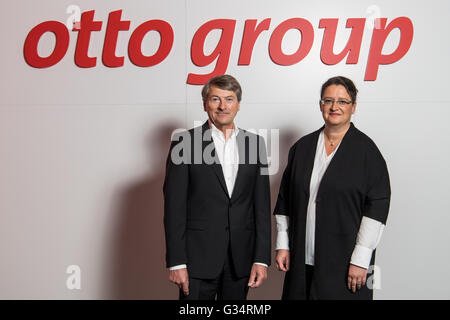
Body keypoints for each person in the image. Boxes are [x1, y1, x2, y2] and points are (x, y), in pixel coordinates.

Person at [274, 76, 391, 300]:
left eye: (342, 101)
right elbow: (284, 200)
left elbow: (377, 207)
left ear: (353, 107)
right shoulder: (302, 148)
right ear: (321, 105)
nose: (334, 107)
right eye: (328, 100)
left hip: (346, 263)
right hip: (302, 259)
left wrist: (361, 259)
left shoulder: (367, 152)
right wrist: (283, 244)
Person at [163, 74, 271, 300]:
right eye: (215, 99)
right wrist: (176, 261)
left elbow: (261, 206)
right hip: (196, 261)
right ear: (205, 104)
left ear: (238, 104)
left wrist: (260, 258)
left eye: (229, 99)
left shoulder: (255, 144)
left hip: (240, 260)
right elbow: (174, 208)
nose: (223, 106)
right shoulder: (185, 144)